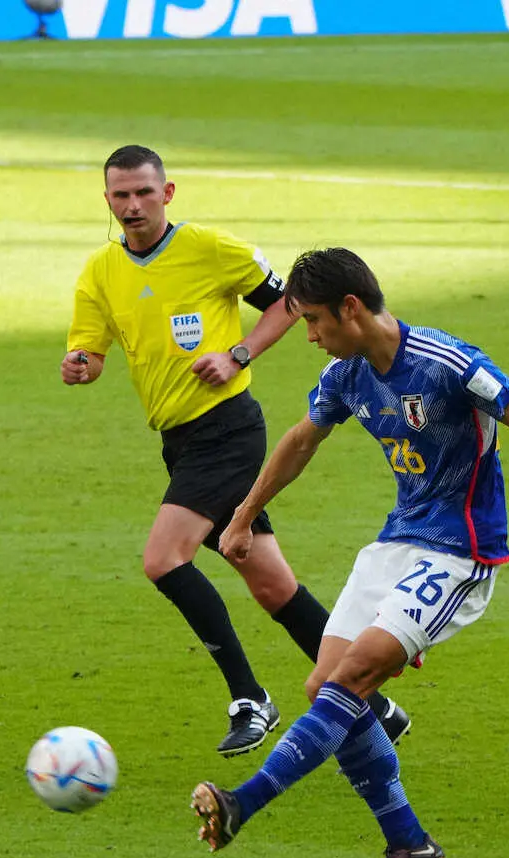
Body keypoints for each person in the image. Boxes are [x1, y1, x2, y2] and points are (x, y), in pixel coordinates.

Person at [190, 247, 509, 858]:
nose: (310, 336)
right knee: (327, 689)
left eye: (314, 321)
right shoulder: (348, 374)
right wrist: (242, 516)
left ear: (351, 308)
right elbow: (299, 440)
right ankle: (409, 845)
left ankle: (243, 802)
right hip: (395, 544)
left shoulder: (448, 364)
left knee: (351, 677)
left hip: (460, 552)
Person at [60, 146, 411, 758]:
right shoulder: (99, 272)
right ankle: (376, 705)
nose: (132, 205)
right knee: (273, 586)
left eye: (144, 193)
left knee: (164, 560)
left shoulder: (211, 249)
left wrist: (240, 353)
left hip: (228, 429)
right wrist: (80, 366)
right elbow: (91, 354)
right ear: (107, 199)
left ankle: (250, 698)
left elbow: (289, 301)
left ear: (167, 194)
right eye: (120, 195)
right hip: (179, 440)